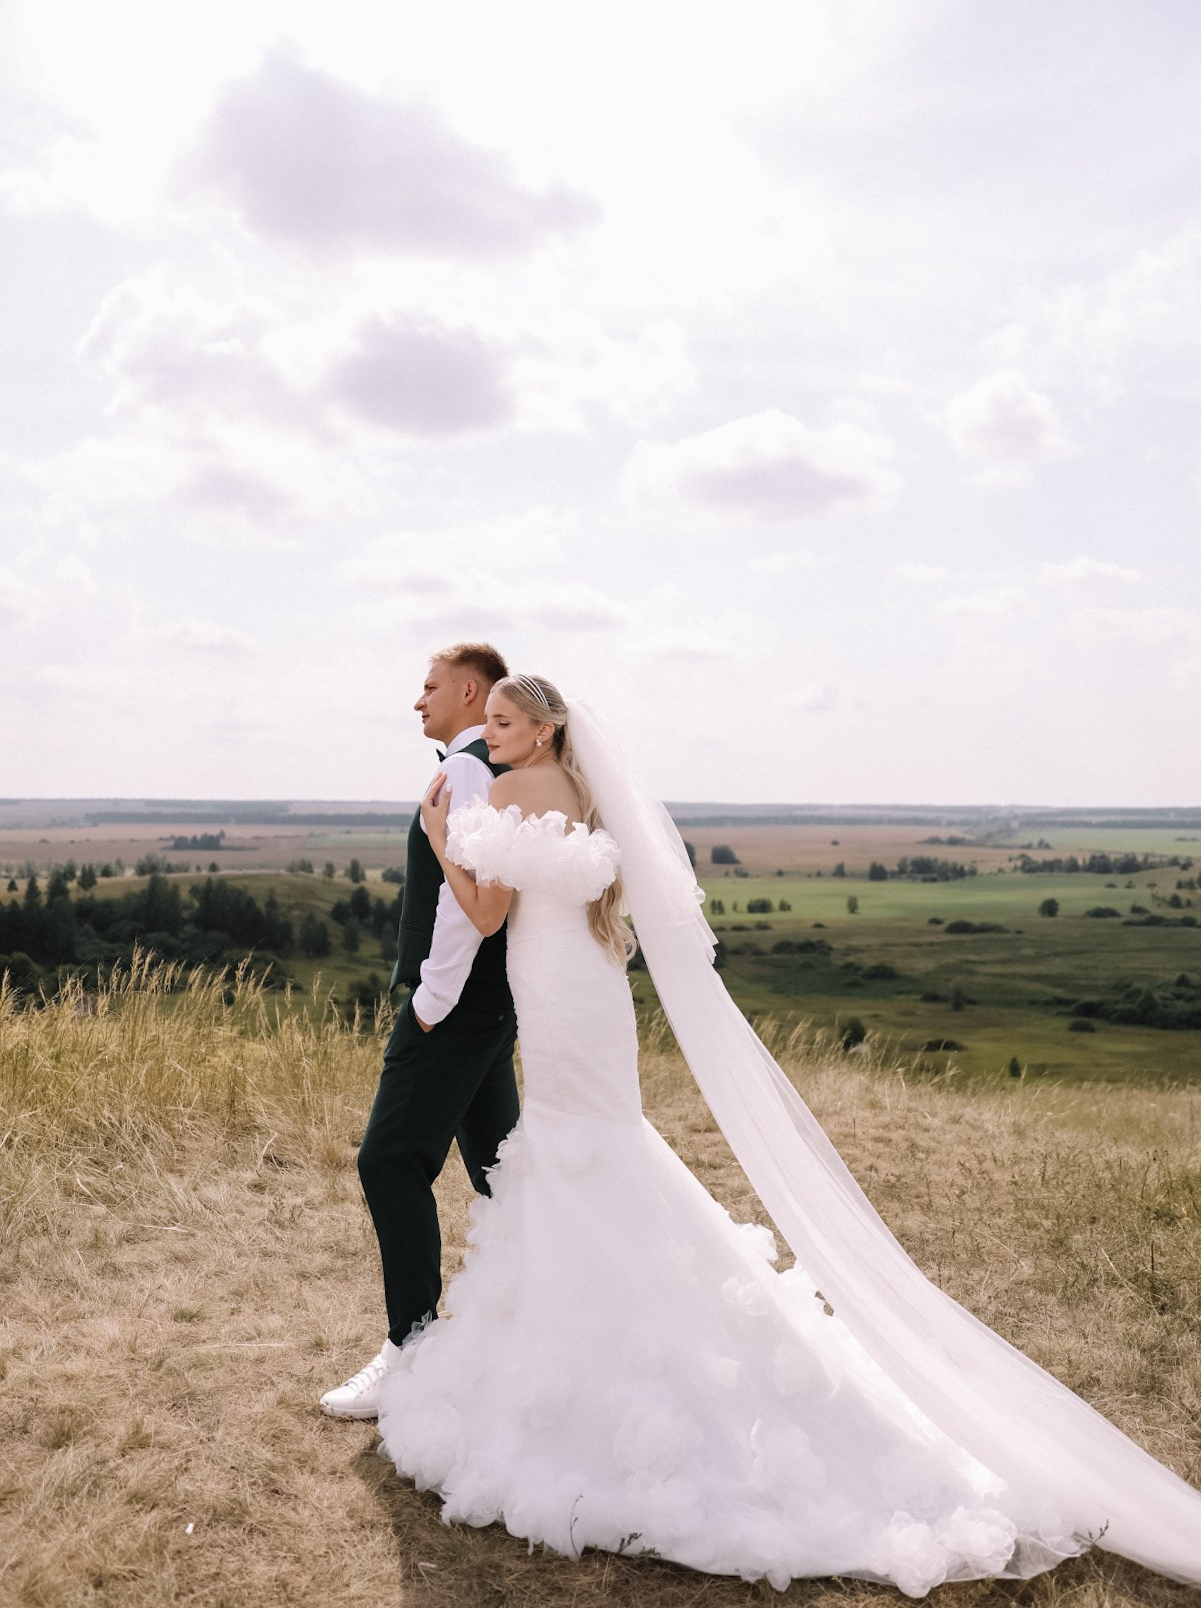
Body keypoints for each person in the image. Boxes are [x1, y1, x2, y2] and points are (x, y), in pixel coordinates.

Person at [376, 674, 1201, 1593]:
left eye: (501, 722)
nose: (486, 737)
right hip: (583, 987)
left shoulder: (524, 788)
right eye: (483, 721)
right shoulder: (574, 787)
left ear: (541, 728)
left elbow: (487, 913)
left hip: (556, 986)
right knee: (602, 1145)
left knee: (580, 1150)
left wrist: (442, 837)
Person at [320, 643, 519, 1419]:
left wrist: (429, 1001)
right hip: (488, 1005)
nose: (418, 700)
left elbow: (462, 905)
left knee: (390, 1162)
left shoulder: (469, 769)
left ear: (470, 691)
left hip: (456, 1005)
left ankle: (411, 1351)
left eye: (428, 686)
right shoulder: (489, 766)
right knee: (508, 1174)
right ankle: (557, 1318)